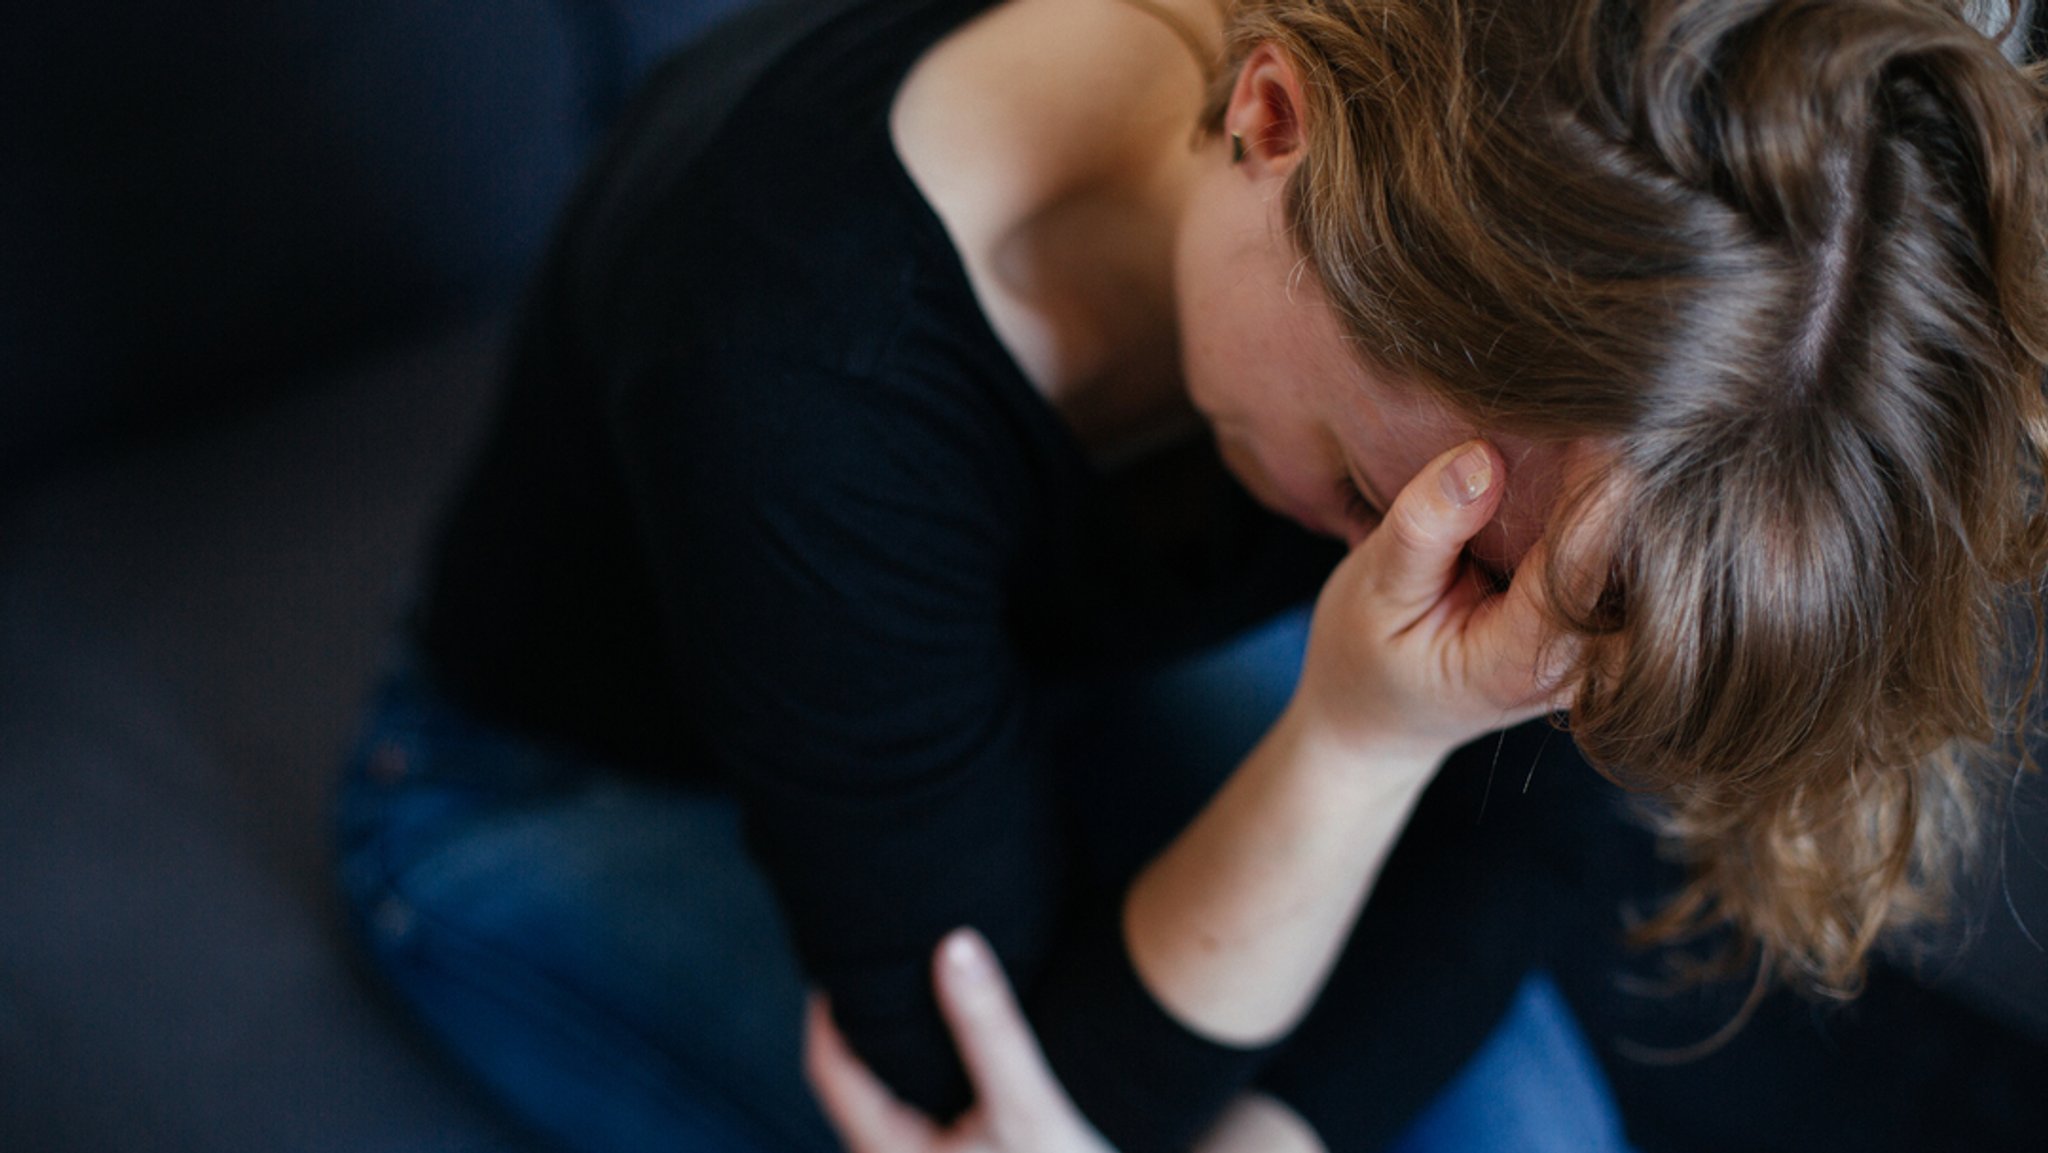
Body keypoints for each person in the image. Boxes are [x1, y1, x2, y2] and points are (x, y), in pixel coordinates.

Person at [333, 0, 2048, 1150]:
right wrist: (1360, 742)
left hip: (1047, 705)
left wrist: (1279, 1136)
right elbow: (1002, 1096)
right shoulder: (787, 363)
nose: (1418, 576)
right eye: (1388, 501)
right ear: (1276, 116)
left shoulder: (1513, 203)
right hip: (566, 793)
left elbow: (1553, 790)